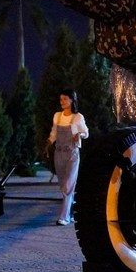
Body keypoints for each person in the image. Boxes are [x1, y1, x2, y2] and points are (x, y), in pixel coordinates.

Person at [47, 88, 88, 225]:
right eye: (61, 99)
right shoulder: (57, 116)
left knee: (68, 186)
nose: (62, 102)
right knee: (63, 185)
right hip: (59, 153)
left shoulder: (78, 117)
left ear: (72, 100)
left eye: (65, 99)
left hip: (72, 153)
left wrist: (79, 135)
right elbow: (53, 134)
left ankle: (63, 217)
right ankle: (70, 213)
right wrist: (47, 144)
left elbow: (86, 133)